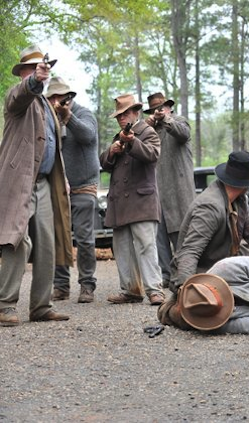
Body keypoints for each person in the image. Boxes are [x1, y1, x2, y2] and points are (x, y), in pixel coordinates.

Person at [0, 45, 73, 326]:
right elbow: (19, 96)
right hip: (20, 181)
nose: (39, 72)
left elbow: (52, 143)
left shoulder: (46, 105)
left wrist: (62, 178)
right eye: (32, 69)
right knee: (18, 242)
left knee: (47, 242)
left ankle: (41, 306)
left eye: (40, 68)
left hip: (44, 182)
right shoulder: (18, 95)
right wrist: (33, 81)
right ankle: (4, 304)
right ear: (23, 73)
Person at [171, 151, 249, 292]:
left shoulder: (239, 199)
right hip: (203, 274)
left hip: (225, 267)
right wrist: (186, 288)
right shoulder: (210, 207)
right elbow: (190, 251)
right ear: (245, 184)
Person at [99, 93, 164, 306]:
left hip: (141, 201)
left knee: (146, 246)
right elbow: (104, 163)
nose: (121, 118)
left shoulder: (148, 132)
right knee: (122, 248)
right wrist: (112, 151)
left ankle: (155, 290)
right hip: (120, 202)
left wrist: (132, 141)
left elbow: (152, 155)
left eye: (125, 113)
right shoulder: (118, 136)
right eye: (119, 115)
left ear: (136, 112)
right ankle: (130, 290)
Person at [46, 77, 100, 303]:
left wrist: (69, 117)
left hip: (84, 186)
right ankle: (61, 286)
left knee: (85, 239)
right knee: (60, 237)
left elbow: (88, 136)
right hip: (59, 188)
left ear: (69, 97)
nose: (55, 102)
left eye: (59, 97)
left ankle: (87, 285)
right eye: (52, 98)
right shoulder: (49, 118)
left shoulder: (84, 113)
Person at [143, 92, 195, 289]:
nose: (158, 112)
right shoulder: (150, 130)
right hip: (155, 194)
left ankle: (184, 275)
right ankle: (166, 276)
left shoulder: (179, 121)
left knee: (182, 237)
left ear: (169, 108)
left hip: (178, 193)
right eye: (154, 110)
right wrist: (146, 126)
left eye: (161, 108)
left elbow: (183, 134)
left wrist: (166, 120)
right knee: (159, 240)